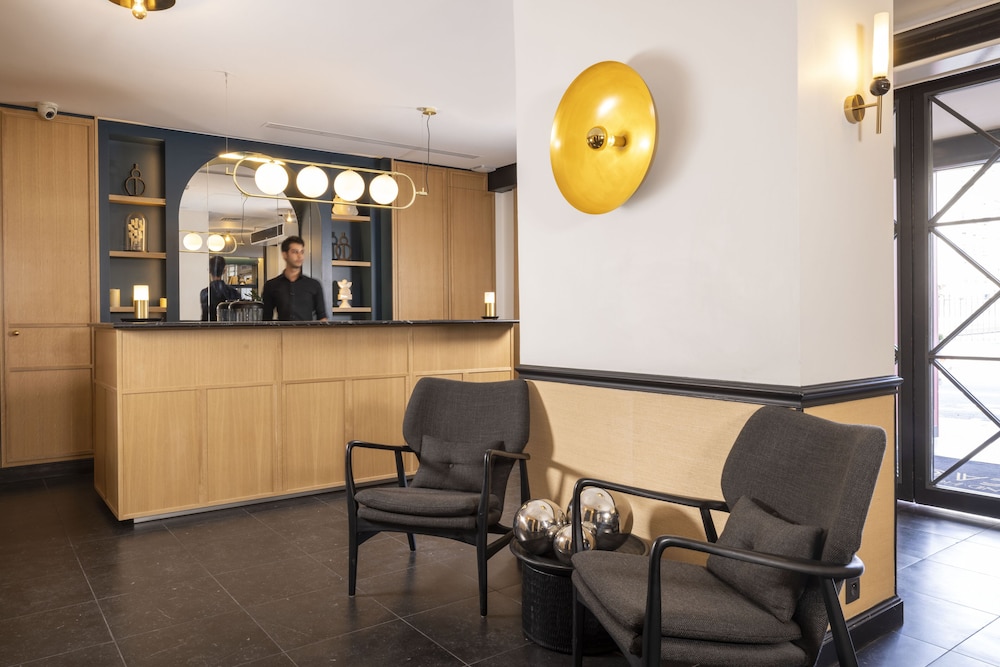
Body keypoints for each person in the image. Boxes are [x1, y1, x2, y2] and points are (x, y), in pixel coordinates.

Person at [261, 235, 328, 321]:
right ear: (285, 255)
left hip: (307, 329)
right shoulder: (271, 285)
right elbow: (266, 318)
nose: (300, 256)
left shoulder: (314, 285)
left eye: (302, 252)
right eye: (295, 252)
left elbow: (322, 317)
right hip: (282, 329)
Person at [200, 254, 241, 321]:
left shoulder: (205, 293)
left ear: (209, 270)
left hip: (210, 327)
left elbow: (205, 317)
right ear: (224, 270)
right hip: (230, 327)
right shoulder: (234, 292)